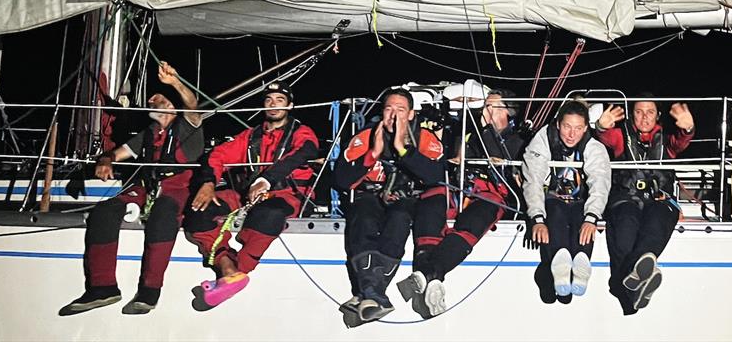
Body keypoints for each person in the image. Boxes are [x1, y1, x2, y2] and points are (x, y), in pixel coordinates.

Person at [60, 61, 204, 316]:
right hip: (147, 186)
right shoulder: (149, 132)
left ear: (171, 106)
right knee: (104, 211)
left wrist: (174, 83)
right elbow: (119, 153)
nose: (151, 99)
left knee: (163, 216)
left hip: (178, 187)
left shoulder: (187, 126)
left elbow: (192, 105)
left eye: (157, 97)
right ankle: (102, 287)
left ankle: (150, 291)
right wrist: (105, 160)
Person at [184, 81, 319, 309]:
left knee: (269, 214)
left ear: (290, 106)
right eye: (268, 100)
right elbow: (217, 155)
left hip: (289, 194)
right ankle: (227, 268)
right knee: (199, 209)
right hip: (247, 196)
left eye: (279, 100)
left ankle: (239, 270)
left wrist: (265, 180)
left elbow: (303, 152)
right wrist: (208, 183)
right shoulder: (251, 136)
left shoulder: (302, 133)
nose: (273, 105)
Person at [396, 89, 526, 319]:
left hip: (491, 191)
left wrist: (486, 133)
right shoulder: (468, 131)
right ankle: (431, 277)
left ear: (509, 112)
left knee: (473, 222)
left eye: (493, 107)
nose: (486, 111)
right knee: (430, 203)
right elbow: (456, 155)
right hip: (460, 186)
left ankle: (425, 273)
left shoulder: (520, 139)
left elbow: (505, 163)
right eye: (486, 106)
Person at [334, 88, 444, 325]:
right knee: (362, 219)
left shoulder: (426, 139)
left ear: (412, 114)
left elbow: (435, 175)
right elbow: (341, 179)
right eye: (388, 108)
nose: (393, 115)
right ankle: (374, 294)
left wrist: (403, 148)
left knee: (399, 220)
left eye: (401, 110)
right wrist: (372, 153)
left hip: (406, 199)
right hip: (370, 195)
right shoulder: (364, 137)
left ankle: (368, 295)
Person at [594, 94, 695, 314]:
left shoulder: (666, 139)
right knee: (624, 229)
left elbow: (680, 142)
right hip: (626, 198)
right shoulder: (623, 136)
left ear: (658, 115)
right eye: (639, 112)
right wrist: (601, 126)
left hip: (658, 199)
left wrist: (688, 129)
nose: (644, 117)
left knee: (659, 221)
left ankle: (627, 281)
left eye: (650, 112)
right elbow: (606, 137)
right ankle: (637, 283)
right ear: (631, 116)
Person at [522, 100, 611, 304]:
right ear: (557, 124)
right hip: (552, 200)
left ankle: (581, 262)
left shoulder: (594, 146)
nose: (572, 134)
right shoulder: (542, 140)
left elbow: (600, 181)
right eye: (567, 127)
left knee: (583, 222)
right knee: (554, 213)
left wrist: (592, 217)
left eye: (578, 128)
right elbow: (533, 179)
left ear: (586, 128)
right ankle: (559, 260)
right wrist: (537, 218)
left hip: (581, 202)